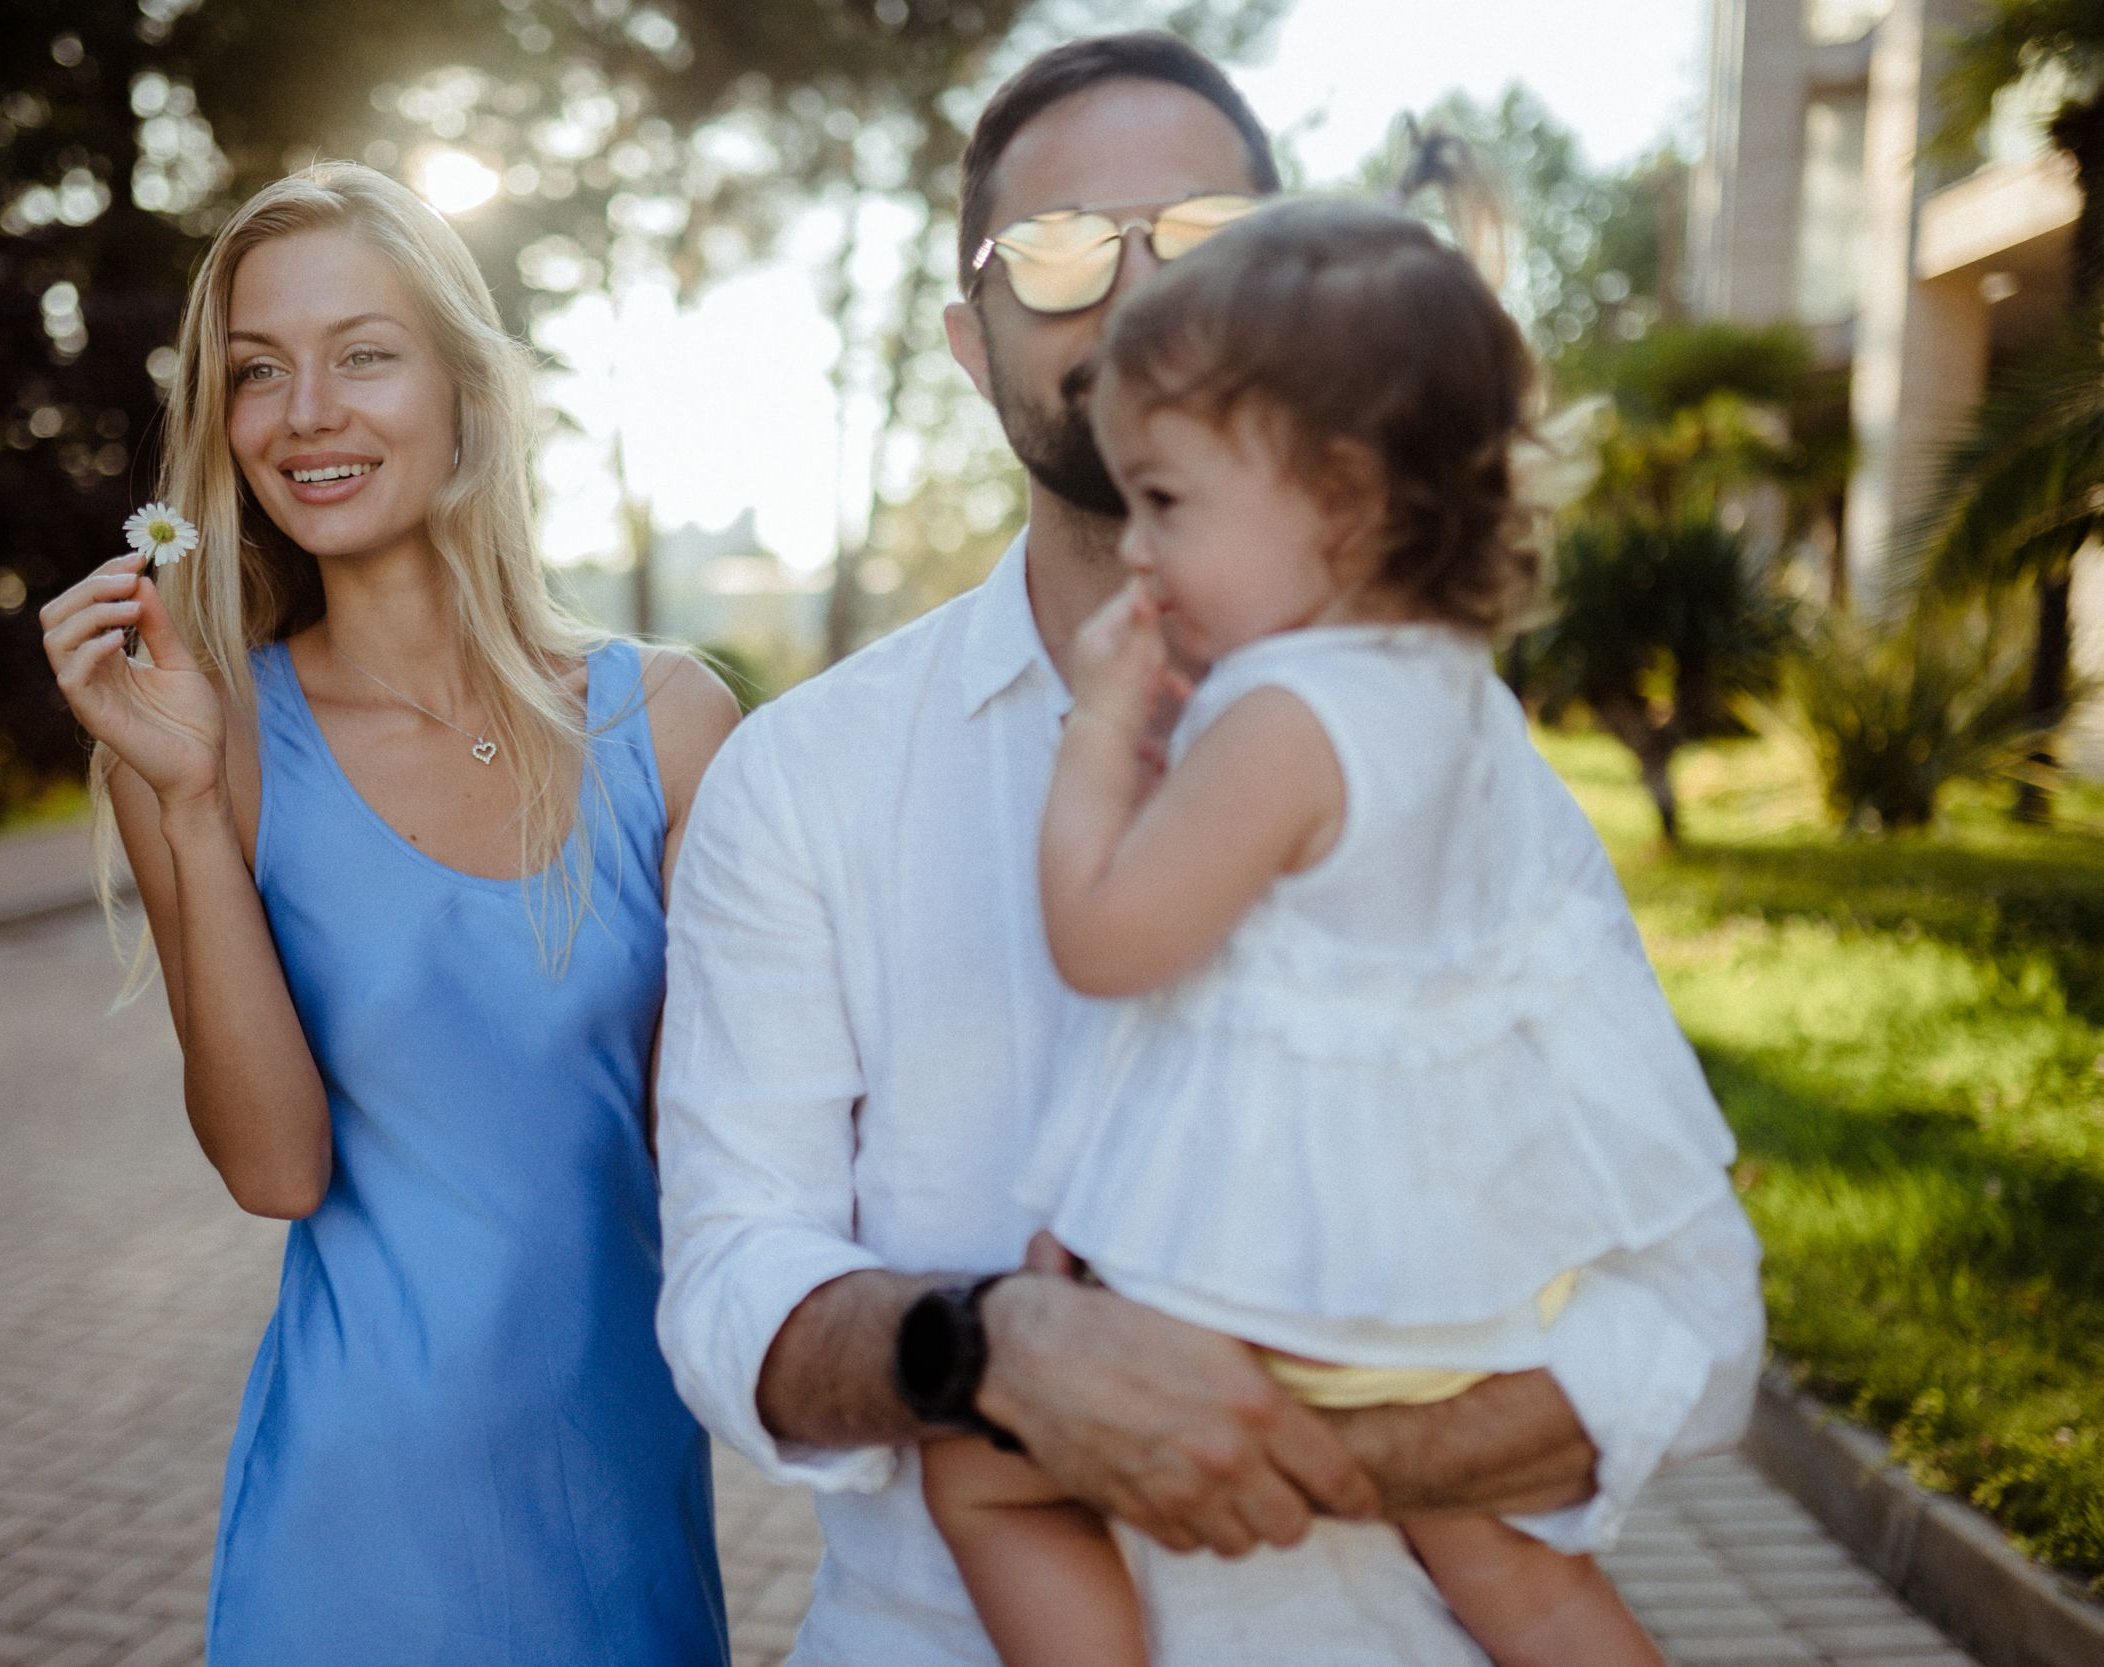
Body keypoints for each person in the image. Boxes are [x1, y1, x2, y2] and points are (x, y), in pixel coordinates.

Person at [655, 32, 1765, 1667]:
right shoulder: (803, 784)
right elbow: (731, 1284)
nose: (1138, 302)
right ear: (969, 345)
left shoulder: (1463, 755)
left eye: (1201, 240)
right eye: (1056, 254)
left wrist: (1278, 1459)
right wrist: (989, 1358)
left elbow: (1692, 1320)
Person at [919, 197, 1738, 1667]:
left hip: (1278, 1294)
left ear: (1346, 504)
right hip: (1453, 1291)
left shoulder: (1283, 721)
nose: (1143, 552)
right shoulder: (1452, 700)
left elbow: (1105, 942)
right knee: (1511, 1564)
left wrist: (1103, 736)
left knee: (981, 1472)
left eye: (1170, 503)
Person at [35, 162, 736, 1665]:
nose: (307, 414)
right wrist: (183, 803)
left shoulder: (666, 728)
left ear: (465, 389)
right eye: (258, 373)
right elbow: (277, 1168)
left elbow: (733, 1165)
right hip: (353, 1528)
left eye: (363, 353)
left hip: (621, 1496)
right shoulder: (205, 746)